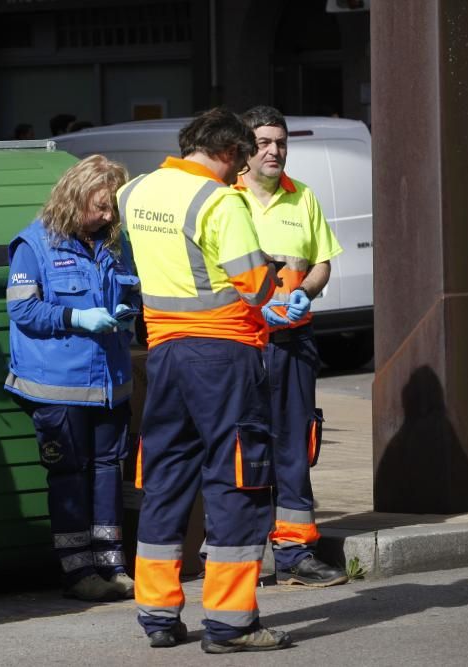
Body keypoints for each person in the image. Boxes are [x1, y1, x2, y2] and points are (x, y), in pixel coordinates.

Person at [119, 107, 291, 653]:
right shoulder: (219, 202)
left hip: (164, 353)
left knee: (165, 479)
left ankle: (158, 613)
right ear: (228, 152)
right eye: (241, 158)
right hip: (224, 355)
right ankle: (231, 623)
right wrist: (276, 271)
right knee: (236, 480)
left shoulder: (136, 192)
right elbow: (256, 285)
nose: (242, 171)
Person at [4, 155, 140, 602]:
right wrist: (76, 317)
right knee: (68, 475)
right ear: (74, 196)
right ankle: (77, 570)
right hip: (58, 386)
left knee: (107, 473)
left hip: (109, 383)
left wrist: (127, 314)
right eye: (100, 207)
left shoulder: (115, 242)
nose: (106, 216)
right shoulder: (34, 244)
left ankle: (111, 562)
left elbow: (132, 291)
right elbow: (23, 310)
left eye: (111, 209)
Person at [236, 106, 347, 587]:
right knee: (242, 444)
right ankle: (243, 551)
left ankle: (296, 553)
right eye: (264, 141)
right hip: (243, 340)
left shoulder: (302, 197)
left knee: (295, 444)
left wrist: (309, 291)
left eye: (280, 142)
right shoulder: (225, 198)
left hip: (294, 338)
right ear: (244, 146)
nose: (274, 150)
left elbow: (321, 261)